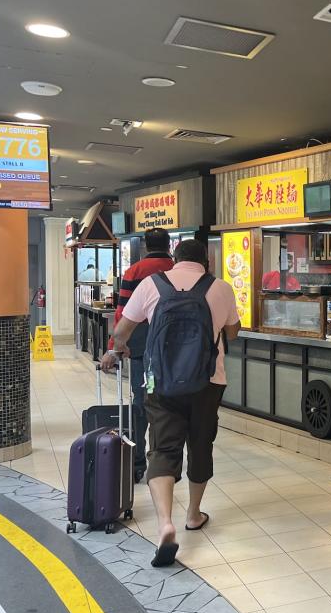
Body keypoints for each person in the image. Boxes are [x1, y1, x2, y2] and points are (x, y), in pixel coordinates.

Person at [101, 239, 240, 567]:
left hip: (160, 383)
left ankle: (165, 524)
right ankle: (193, 515)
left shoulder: (152, 284)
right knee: (200, 444)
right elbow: (232, 333)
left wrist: (120, 347)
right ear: (205, 260)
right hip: (208, 382)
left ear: (174, 260)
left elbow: (122, 330)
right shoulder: (220, 288)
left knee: (162, 449)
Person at [108, 228, 174, 482]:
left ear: (146, 245)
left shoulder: (134, 272)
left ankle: (136, 462)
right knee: (166, 401)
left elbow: (123, 312)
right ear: (169, 245)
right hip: (171, 347)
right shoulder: (176, 269)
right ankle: (164, 458)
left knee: (140, 400)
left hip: (140, 346)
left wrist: (116, 345)